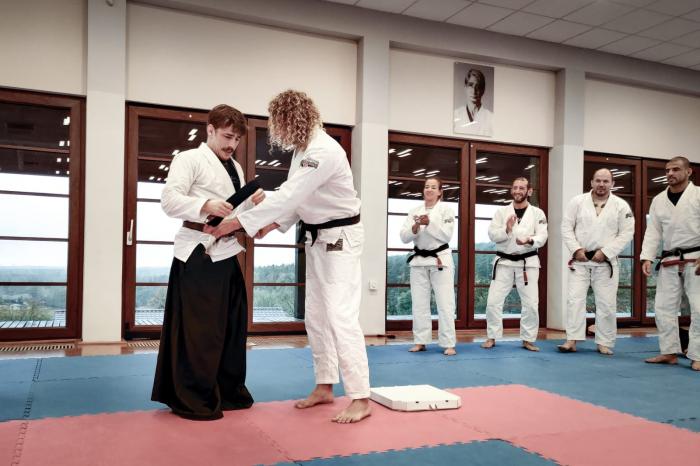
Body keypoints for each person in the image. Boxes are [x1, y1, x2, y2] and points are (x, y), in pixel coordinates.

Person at [205, 90, 372, 422]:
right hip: (317, 237)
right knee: (315, 315)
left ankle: (361, 397)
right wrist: (273, 224)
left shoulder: (323, 150)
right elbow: (299, 200)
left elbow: (290, 196)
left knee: (340, 315)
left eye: (279, 123)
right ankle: (325, 385)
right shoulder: (302, 150)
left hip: (340, 239)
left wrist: (236, 224)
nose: (277, 130)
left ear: (292, 120)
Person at [152, 104, 264, 420]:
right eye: (227, 136)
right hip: (198, 252)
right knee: (202, 332)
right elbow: (169, 201)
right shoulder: (188, 159)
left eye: (237, 139)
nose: (232, 144)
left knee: (231, 326)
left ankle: (227, 391)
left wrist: (254, 204)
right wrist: (205, 204)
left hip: (226, 252)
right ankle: (194, 397)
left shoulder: (236, 167)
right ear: (210, 130)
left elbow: (235, 213)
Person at [558, 168, 635, 355]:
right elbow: (566, 227)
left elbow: (627, 233)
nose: (601, 184)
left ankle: (604, 342)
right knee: (574, 301)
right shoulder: (577, 202)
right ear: (591, 182)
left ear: (612, 184)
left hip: (605, 262)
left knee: (606, 304)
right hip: (580, 260)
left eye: (606, 181)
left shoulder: (621, 205)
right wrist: (576, 249)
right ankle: (572, 339)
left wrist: (606, 252)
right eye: (598, 180)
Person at [640, 156, 700, 371]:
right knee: (663, 307)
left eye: (675, 169)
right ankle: (669, 351)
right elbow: (653, 231)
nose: (670, 174)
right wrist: (647, 256)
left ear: (688, 172)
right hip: (669, 259)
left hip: (696, 258)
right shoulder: (658, 200)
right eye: (667, 170)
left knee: (699, 307)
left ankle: (698, 355)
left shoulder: (698, 195)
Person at [482, 177, 547, 351]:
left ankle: (528, 339)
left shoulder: (538, 213)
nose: (518, 191)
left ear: (529, 191)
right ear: (511, 190)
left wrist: (529, 240)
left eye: (521, 188)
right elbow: (492, 235)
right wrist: (507, 229)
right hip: (504, 262)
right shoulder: (501, 212)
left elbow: (542, 236)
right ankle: (492, 336)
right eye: (515, 187)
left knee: (531, 303)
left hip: (527, 262)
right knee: (493, 302)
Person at [400, 177, 457, 356]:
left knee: (445, 303)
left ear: (440, 192)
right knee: (419, 304)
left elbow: (446, 236)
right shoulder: (414, 211)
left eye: (433, 187)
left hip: (440, 259)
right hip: (419, 261)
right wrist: (416, 226)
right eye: (426, 187)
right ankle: (420, 341)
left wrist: (429, 223)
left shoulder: (446, 210)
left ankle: (448, 343)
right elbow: (404, 237)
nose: (429, 190)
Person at [454, 68, 493, 136]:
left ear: (483, 90)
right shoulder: (455, 115)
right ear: (465, 88)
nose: (474, 91)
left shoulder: (491, 118)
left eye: (478, 86)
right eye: (470, 85)